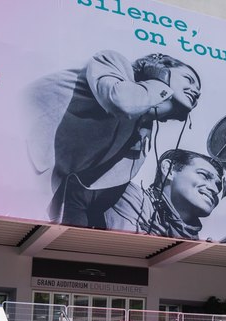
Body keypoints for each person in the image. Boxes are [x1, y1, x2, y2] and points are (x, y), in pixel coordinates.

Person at [26, 50, 202, 225]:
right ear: (159, 70)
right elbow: (121, 102)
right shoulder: (113, 63)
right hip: (20, 146)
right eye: (189, 79)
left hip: (46, 189)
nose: (195, 92)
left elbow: (100, 185)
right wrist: (159, 83)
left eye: (198, 91)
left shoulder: (142, 133)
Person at [106, 149, 226, 240]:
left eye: (218, 186)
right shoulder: (129, 195)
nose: (214, 189)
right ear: (169, 169)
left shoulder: (193, 240)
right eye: (204, 175)